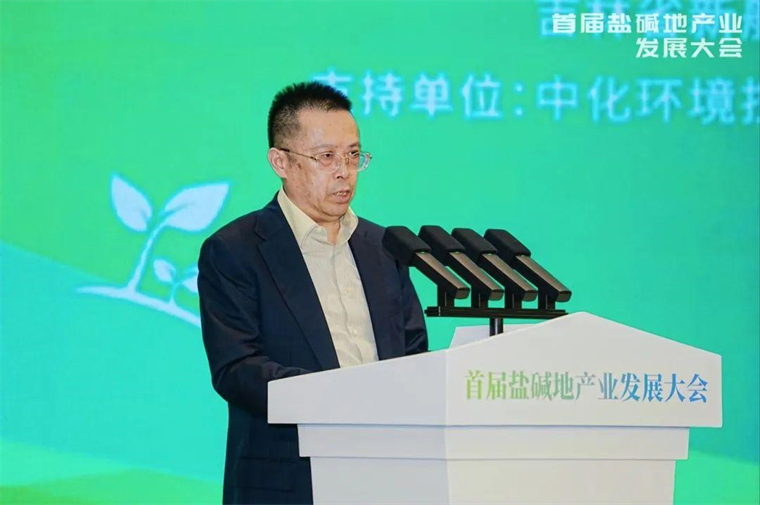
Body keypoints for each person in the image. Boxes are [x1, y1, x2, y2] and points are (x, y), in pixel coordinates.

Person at [197, 81, 428, 505]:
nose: (344, 171)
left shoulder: (383, 247)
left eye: (353, 155)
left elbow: (413, 350)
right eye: (326, 157)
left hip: (389, 473)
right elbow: (237, 368)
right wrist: (340, 399)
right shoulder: (235, 250)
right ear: (280, 162)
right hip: (290, 482)